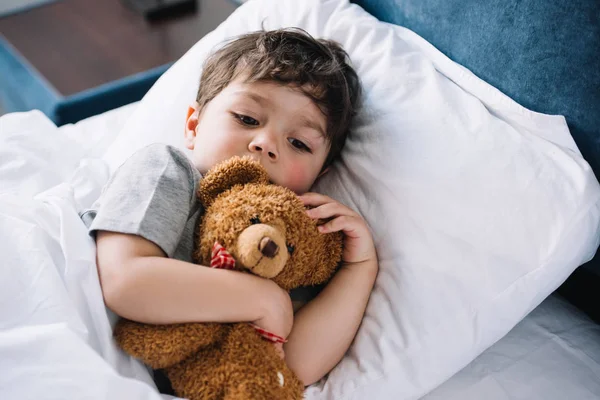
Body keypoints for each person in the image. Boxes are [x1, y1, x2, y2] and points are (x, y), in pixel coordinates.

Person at [84, 28, 378, 387]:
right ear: (193, 125)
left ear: (320, 175)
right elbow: (124, 280)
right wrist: (265, 301)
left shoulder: (287, 240)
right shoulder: (169, 170)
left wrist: (359, 268)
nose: (266, 143)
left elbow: (287, 369)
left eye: (299, 143)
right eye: (247, 119)